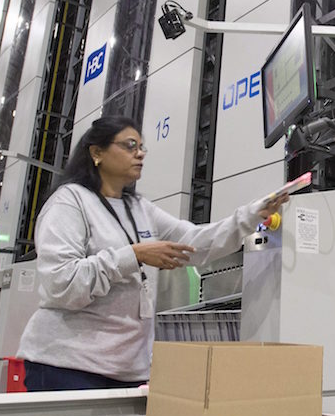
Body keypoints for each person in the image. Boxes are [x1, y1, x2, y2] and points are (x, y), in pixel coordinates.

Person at [18, 115, 287, 389]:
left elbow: (195, 242)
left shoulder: (140, 209)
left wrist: (252, 215)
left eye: (142, 147)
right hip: (66, 365)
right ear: (97, 152)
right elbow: (61, 284)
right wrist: (134, 255)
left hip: (127, 369)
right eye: (129, 145)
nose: (140, 154)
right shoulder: (69, 202)